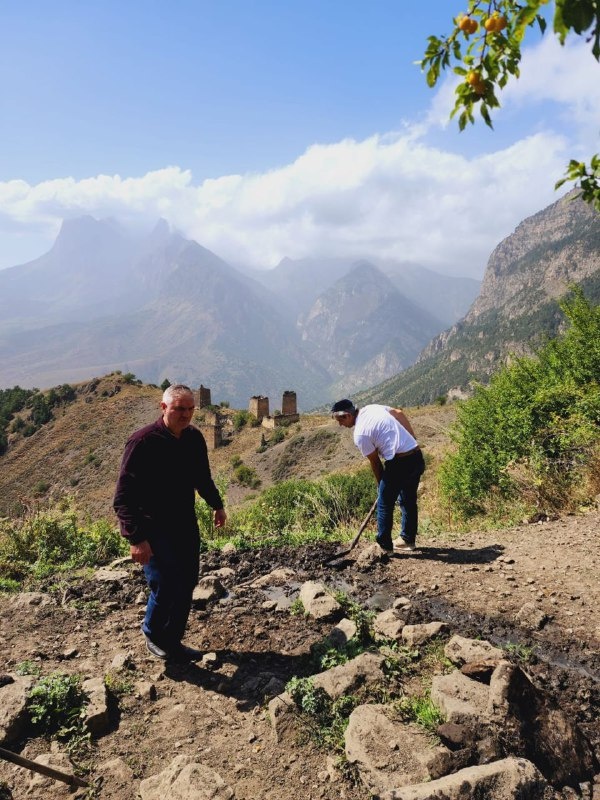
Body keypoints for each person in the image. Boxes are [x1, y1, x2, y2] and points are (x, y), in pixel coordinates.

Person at [113, 384, 226, 662]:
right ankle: (153, 633)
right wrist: (136, 538)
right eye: (179, 408)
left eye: (190, 409)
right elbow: (123, 497)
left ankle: (173, 640)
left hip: (184, 525)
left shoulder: (194, 438)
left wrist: (217, 505)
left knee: (186, 583)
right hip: (152, 528)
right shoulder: (142, 442)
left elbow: (203, 478)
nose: (185, 414)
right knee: (164, 584)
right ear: (163, 408)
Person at [331, 399, 425, 555]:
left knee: (384, 504)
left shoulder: (360, 433)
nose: (340, 425)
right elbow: (399, 413)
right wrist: (412, 439)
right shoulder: (372, 408)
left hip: (399, 462)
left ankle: (385, 546)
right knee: (408, 499)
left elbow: (375, 463)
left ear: (347, 415)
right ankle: (408, 540)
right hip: (416, 456)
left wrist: (381, 485)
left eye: (340, 420)